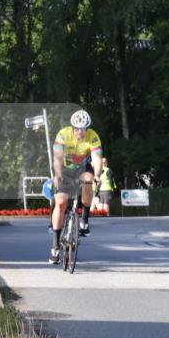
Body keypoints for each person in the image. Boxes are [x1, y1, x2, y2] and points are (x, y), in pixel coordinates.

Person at [49, 110, 102, 264]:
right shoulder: (63, 134)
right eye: (77, 128)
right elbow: (57, 157)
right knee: (60, 203)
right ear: (72, 127)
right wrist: (57, 174)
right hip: (65, 170)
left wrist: (97, 175)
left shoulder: (93, 136)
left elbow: (97, 158)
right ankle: (55, 246)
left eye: (83, 129)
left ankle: (84, 219)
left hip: (83, 168)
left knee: (88, 179)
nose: (80, 132)